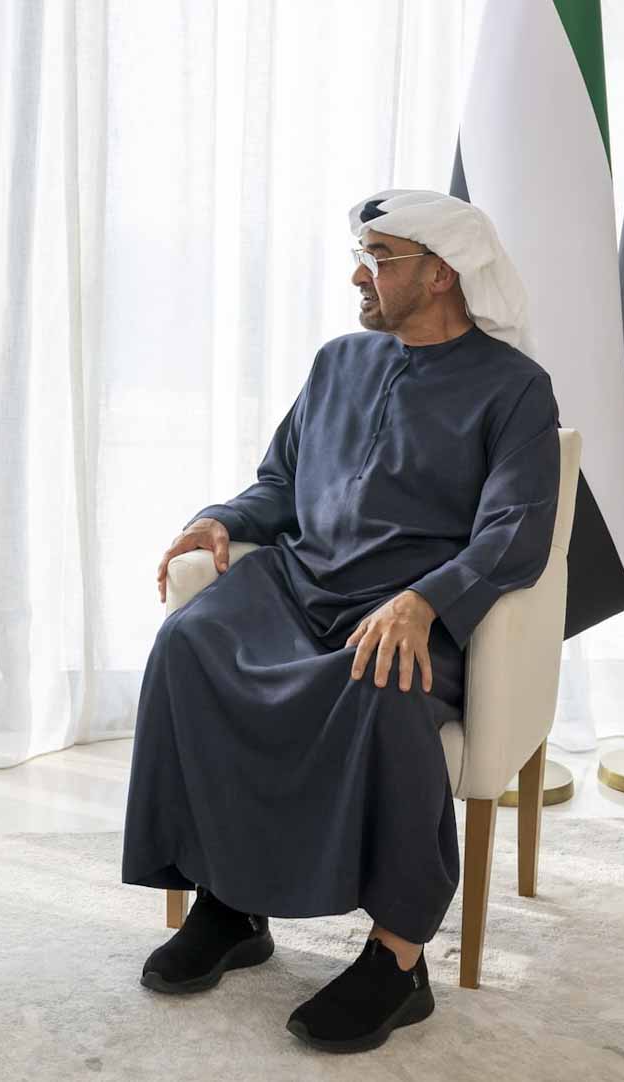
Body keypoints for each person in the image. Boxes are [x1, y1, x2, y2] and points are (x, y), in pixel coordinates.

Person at [123, 189, 562, 1054]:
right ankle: (230, 904)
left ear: (440, 274)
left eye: (380, 258)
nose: (360, 275)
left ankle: (398, 961)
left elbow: (517, 531)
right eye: (361, 256)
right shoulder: (338, 361)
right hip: (300, 585)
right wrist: (222, 518)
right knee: (190, 643)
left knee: (384, 683)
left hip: (408, 608)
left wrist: (426, 601)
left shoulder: (514, 388)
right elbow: (282, 483)